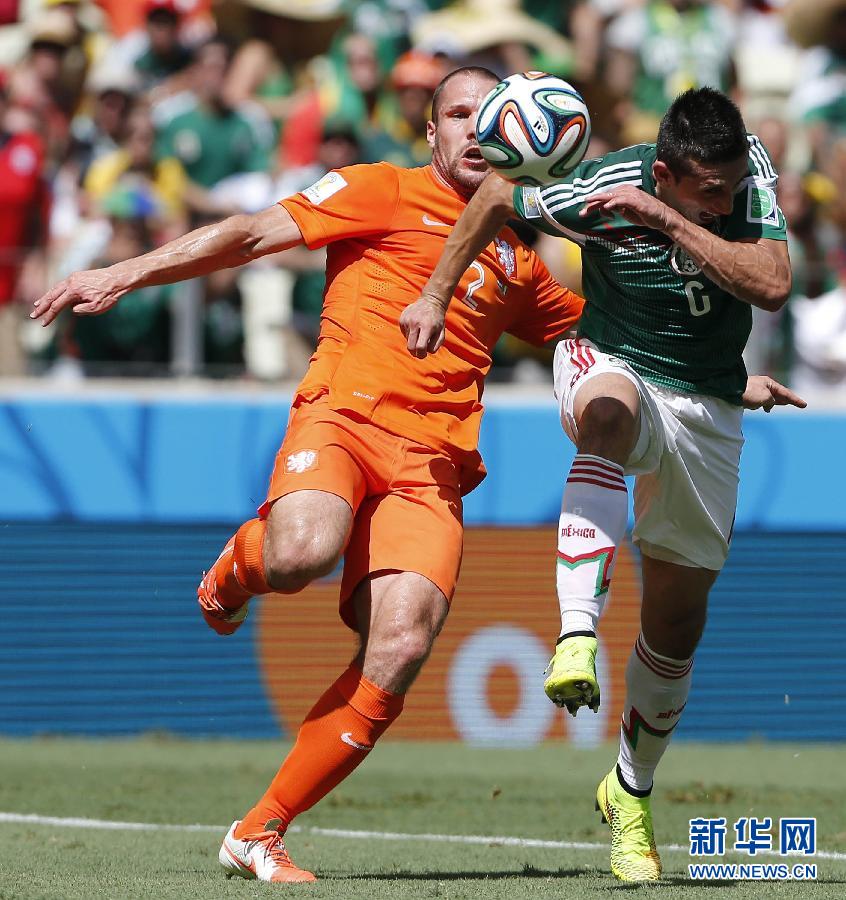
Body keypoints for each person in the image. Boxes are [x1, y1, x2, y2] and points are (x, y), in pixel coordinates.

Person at [30, 66, 585, 883]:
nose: (474, 129)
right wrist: (124, 272)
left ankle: (258, 832)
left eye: (487, 114)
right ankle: (239, 565)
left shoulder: (518, 263)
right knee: (301, 552)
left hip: (432, 465)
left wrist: (723, 375)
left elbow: (610, 340)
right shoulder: (380, 190)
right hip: (344, 417)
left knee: (400, 643)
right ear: (430, 135)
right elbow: (253, 234)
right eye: (456, 115)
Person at [399, 86, 806, 883]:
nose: (726, 202)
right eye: (706, 193)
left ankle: (630, 789)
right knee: (607, 420)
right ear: (661, 169)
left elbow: (772, 282)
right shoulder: (591, 193)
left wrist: (671, 223)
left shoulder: (746, 174)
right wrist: (435, 294)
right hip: (610, 360)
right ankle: (576, 634)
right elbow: (492, 197)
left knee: (676, 626)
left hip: (709, 404)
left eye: (729, 188)